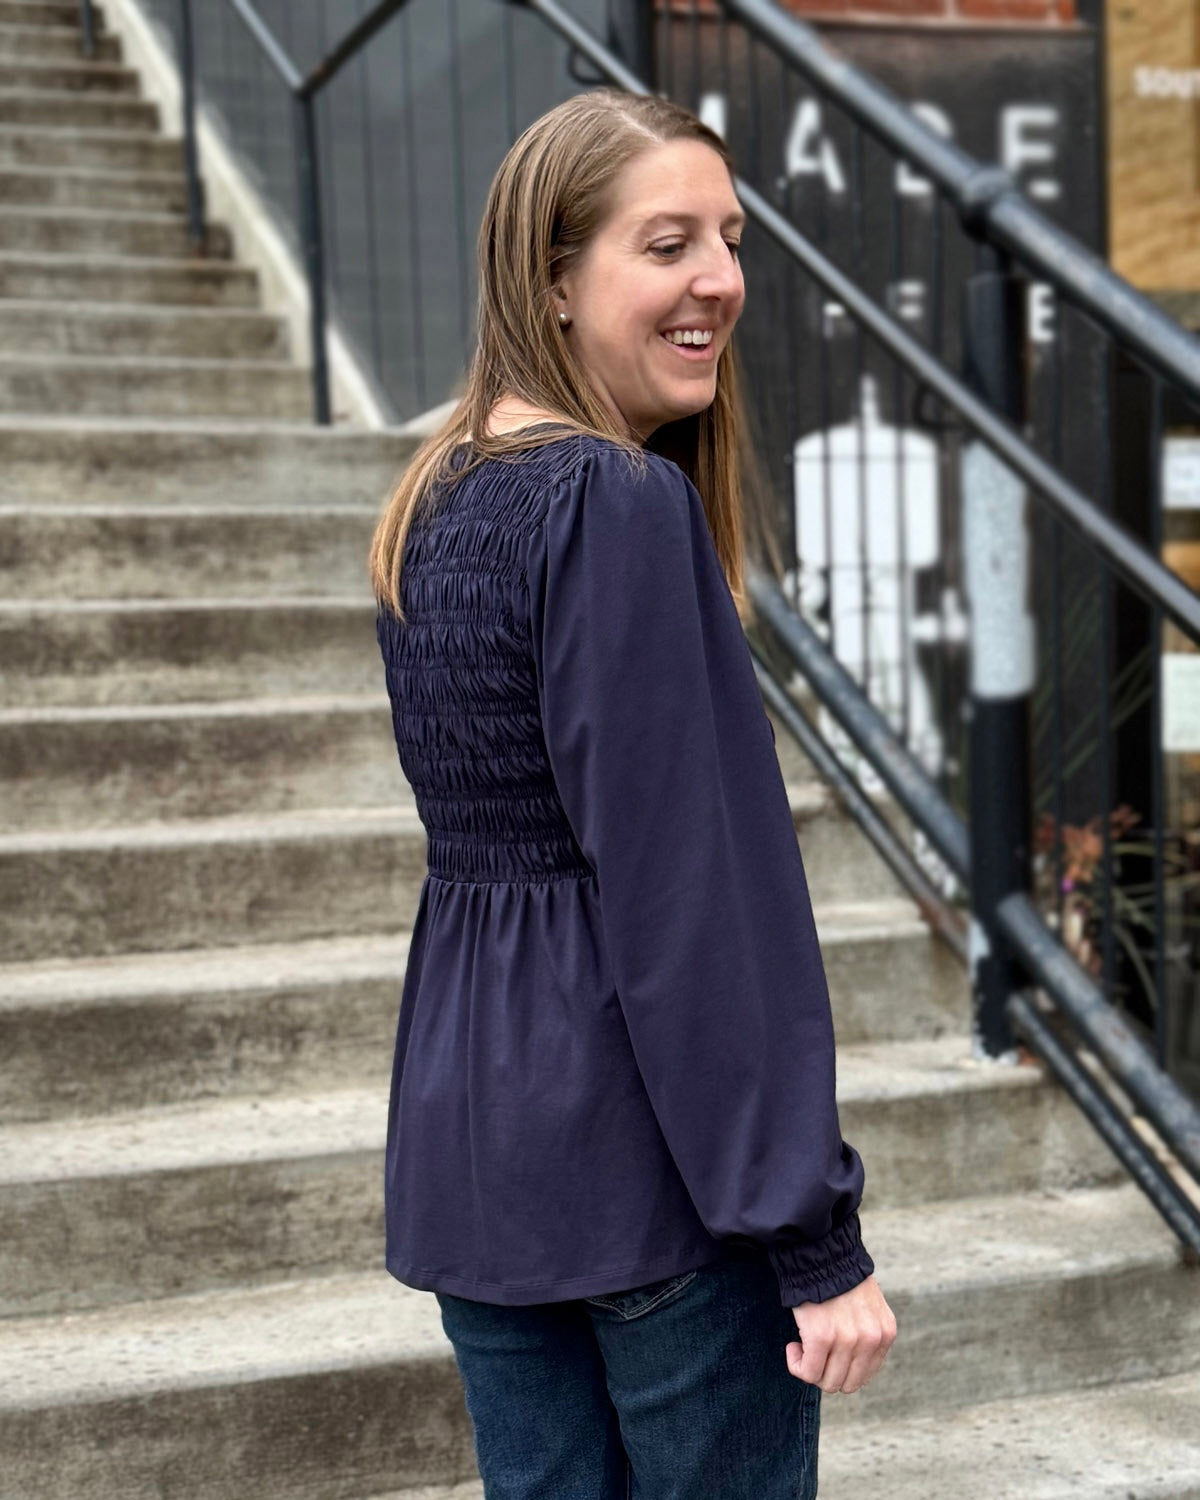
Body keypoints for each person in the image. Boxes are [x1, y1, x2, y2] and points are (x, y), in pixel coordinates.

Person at [368, 87, 896, 1500]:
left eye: (729, 239)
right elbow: (691, 908)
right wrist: (812, 1238)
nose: (720, 278)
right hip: (654, 1194)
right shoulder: (612, 501)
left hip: (481, 1172)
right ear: (552, 275)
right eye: (668, 245)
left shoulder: (437, 499)